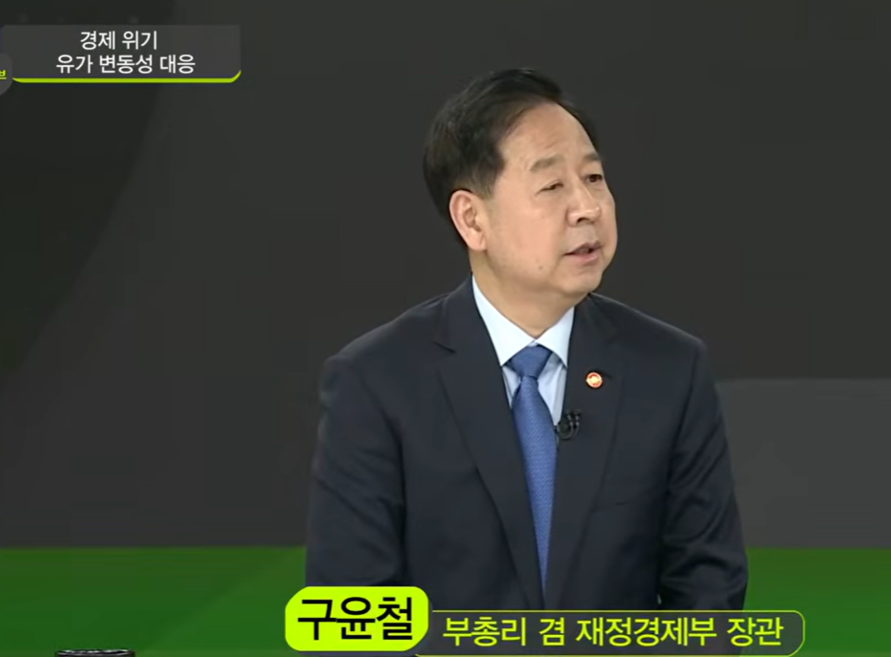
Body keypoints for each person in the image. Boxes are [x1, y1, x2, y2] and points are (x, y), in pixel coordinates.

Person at [305, 68, 747, 610]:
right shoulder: (377, 382)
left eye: (594, 178)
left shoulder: (669, 370)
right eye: (552, 186)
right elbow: (348, 612)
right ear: (472, 219)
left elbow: (707, 593)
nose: (588, 207)